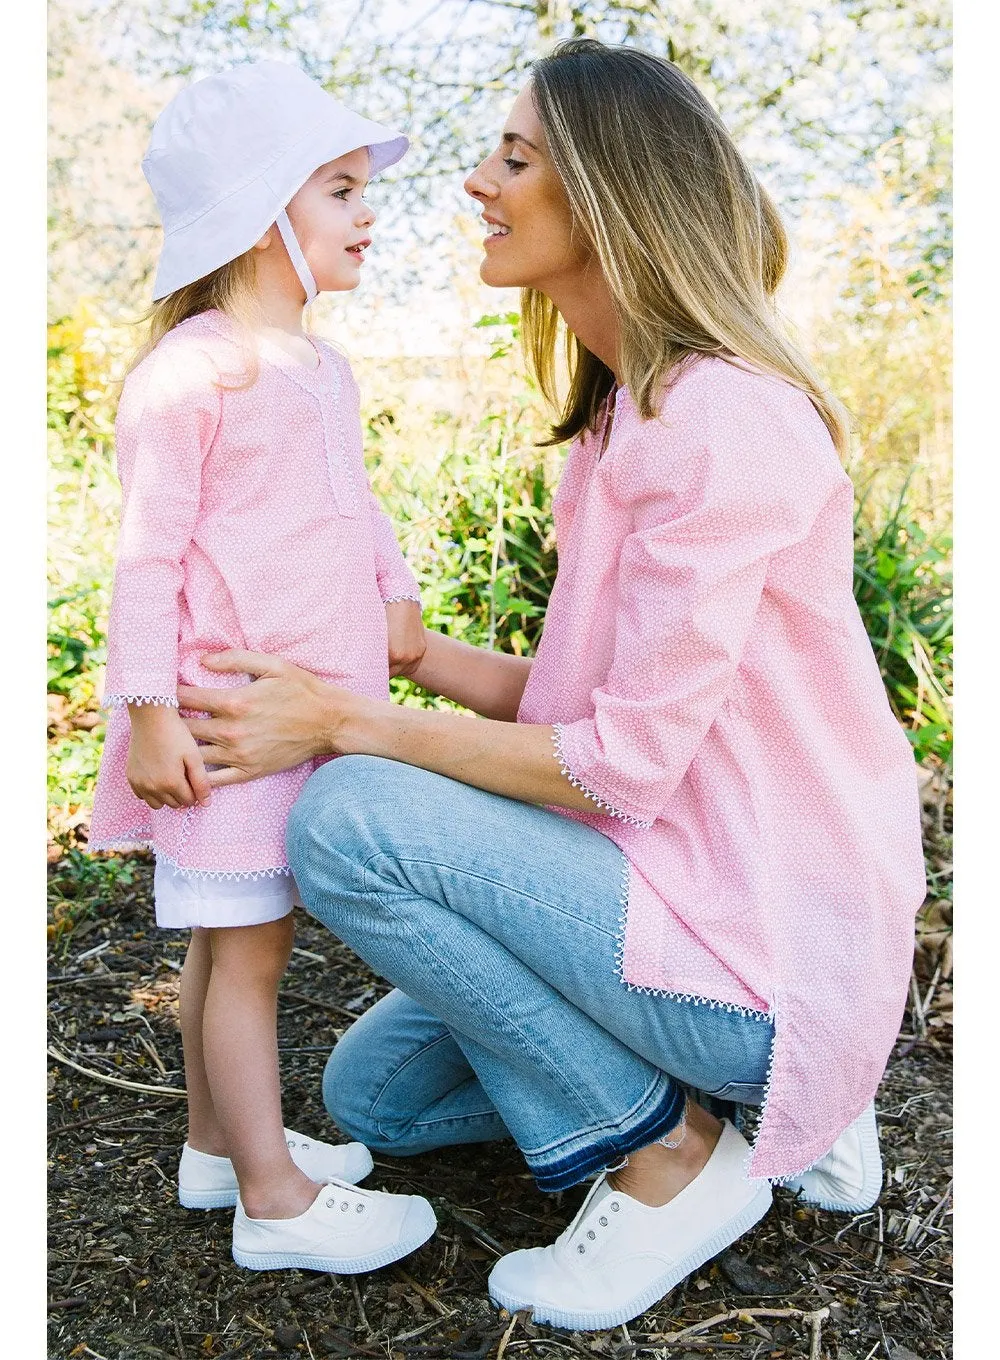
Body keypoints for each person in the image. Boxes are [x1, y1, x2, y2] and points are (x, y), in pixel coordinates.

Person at [175, 41, 926, 1330]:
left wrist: (351, 718)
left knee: (350, 813)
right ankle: (777, 1110)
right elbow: (592, 698)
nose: (475, 181)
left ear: (608, 191)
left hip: (760, 934)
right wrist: (406, 656)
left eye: (513, 157)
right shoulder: (627, 415)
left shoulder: (726, 422)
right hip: (677, 890)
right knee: (376, 1103)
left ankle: (671, 1155)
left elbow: (620, 763)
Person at [87, 60, 437, 1275]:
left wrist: (394, 597)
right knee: (249, 954)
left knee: (230, 944)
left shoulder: (319, 368)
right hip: (228, 716)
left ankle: (214, 1147)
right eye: (339, 189)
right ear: (258, 211)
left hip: (299, 709)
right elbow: (146, 558)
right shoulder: (199, 366)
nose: (368, 214)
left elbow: (353, 503)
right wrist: (142, 713)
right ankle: (274, 1199)